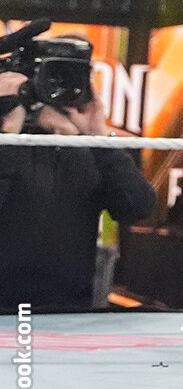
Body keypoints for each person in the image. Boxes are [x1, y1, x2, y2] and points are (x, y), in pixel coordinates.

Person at [0, 70, 157, 310]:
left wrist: (98, 135)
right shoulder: (9, 143)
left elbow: (138, 207)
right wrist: (9, 132)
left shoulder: (90, 153)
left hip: (68, 313)